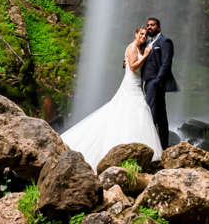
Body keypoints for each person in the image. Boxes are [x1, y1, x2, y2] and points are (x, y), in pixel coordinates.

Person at [61, 27, 164, 169]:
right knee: (134, 109)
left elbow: (130, 64)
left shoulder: (138, 48)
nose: (143, 37)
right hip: (131, 84)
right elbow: (133, 67)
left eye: (145, 35)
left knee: (133, 112)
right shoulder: (132, 47)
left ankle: (136, 148)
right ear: (135, 34)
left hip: (136, 83)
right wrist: (146, 55)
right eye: (141, 34)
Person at [140, 17, 177, 150]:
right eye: (148, 25)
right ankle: (163, 146)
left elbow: (166, 64)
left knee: (151, 114)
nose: (149, 27)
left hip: (155, 83)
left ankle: (149, 147)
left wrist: (157, 82)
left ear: (159, 27)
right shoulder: (147, 43)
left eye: (152, 25)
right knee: (161, 115)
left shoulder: (165, 41)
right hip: (148, 82)